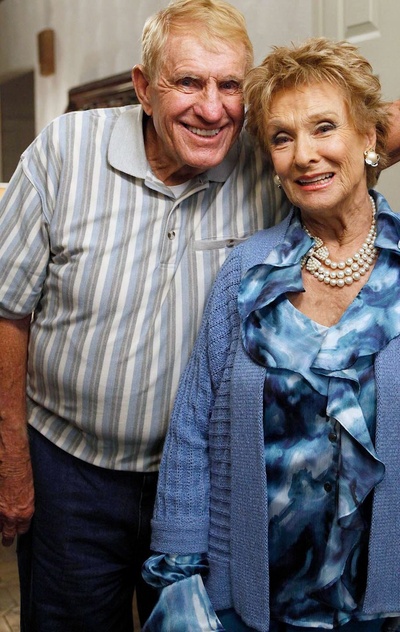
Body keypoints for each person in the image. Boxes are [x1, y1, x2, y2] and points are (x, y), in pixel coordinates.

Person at [0, 1, 293, 630]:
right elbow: (6, 311)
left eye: (230, 86)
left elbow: (353, 138)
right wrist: (11, 460)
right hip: (71, 474)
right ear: (142, 87)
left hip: (203, 483)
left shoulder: (266, 166)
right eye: (188, 82)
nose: (212, 109)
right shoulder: (65, 151)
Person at [142, 38, 400, 632]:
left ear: (368, 137)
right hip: (253, 597)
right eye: (283, 138)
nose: (304, 155)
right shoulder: (246, 270)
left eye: (324, 128)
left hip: (379, 600)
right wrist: (181, 571)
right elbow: (192, 427)